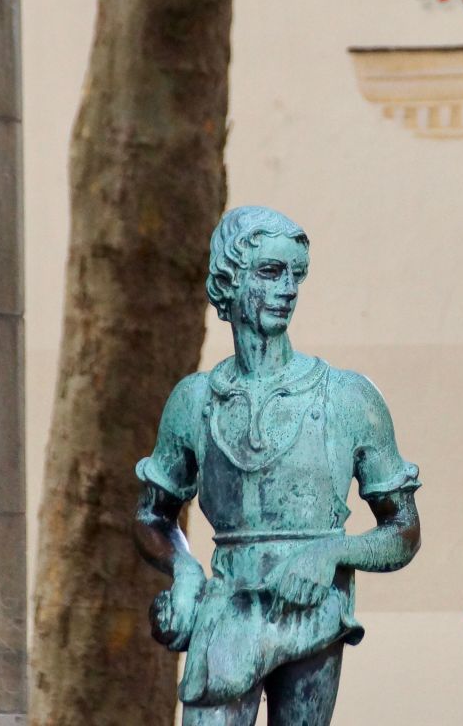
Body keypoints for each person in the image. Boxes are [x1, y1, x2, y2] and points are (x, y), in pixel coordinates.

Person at [134, 207, 422, 725]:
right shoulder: (195, 401)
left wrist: (331, 551)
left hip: (313, 613)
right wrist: (182, 568)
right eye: (270, 272)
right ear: (229, 280)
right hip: (226, 608)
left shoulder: (347, 398)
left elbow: (403, 531)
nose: (288, 289)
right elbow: (154, 516)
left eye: (296, 275)